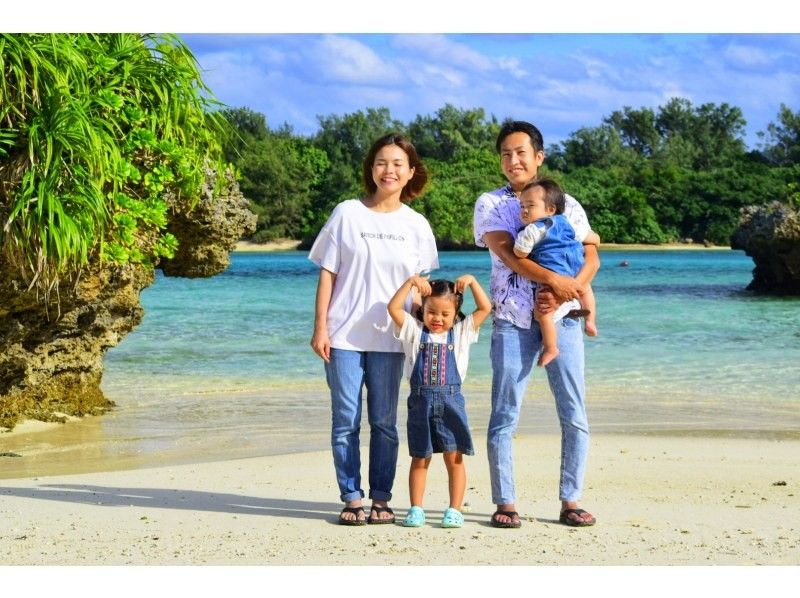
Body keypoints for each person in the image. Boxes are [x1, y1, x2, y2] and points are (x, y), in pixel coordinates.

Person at [473, 120, 600, 528]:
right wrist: (552, 280)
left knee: (574, 412)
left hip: (562, 319)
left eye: (521, 152)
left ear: (538, 156)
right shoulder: (491, 204)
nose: (513, 161)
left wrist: (571, 289)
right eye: (506, 154)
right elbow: (509, 254)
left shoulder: (567, 202)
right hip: (511, 319)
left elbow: (592, 255)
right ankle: (506, 502)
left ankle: (571, 499)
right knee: (505, 413)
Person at [309, 133, 439, 526]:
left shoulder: (416, 225)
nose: (390, 170)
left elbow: (422, 292)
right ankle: (351, 498)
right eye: (382, 162)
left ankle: (381, 498)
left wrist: (431, 334)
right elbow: (328, 275)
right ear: (371, 168)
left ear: (411, 172)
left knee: (384, 420)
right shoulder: (347, 213)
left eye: (399, 164)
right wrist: (320, 328)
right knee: (345, 418)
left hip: (392, 339)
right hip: (343, 335)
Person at [387, 274, 492, 528]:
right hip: (420, 403)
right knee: (420, 457)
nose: (438, 319)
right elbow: (392, 307)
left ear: (456, 312)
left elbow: (486, 308)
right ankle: (416, 508)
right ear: (422, 309)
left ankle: (455, 509)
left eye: (445, 314)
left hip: (452, 403)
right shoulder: (413, 331)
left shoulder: (462, 333)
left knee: (454, 457)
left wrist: (473, 282)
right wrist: (411, 283)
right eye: (432, 312)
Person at [513, 177, 600, 367]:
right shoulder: (566, 222)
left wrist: (521, 240)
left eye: (530, 205)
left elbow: (519, 252)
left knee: (543, 312)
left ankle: (551, 347)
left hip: (556, 273)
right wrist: (596, 238)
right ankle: (591, 320)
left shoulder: (533, 229)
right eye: (522, 206)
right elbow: (591, 238)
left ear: (550, 209)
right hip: (576, 268)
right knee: (586, 289)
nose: (524, 210)